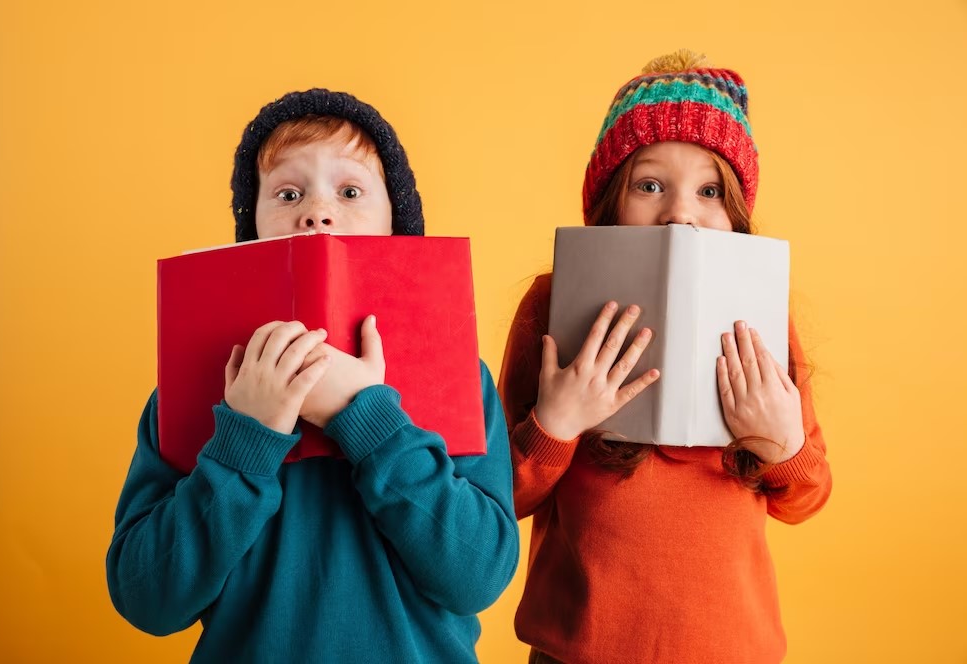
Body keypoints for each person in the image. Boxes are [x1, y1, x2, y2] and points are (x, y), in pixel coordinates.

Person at [107, 89, 519, 663]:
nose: (317, 212)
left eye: (350, 192)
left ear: (396, 226)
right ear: (251, 229)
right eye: (288, 193)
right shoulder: (193, 384)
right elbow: (146, 598)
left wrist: (368, 419)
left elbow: (478, 577)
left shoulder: (456, 376)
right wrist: (245, 438)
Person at [498, 50, 832, 664]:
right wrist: (555, 426)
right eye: (649, 185)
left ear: (734, 213)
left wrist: (784, 447)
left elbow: (808, 495)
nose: (680, 211)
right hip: (574, 653)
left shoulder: (763, 314)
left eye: (709, 190)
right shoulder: (550, 303)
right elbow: (498, 499)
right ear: (608, 203)